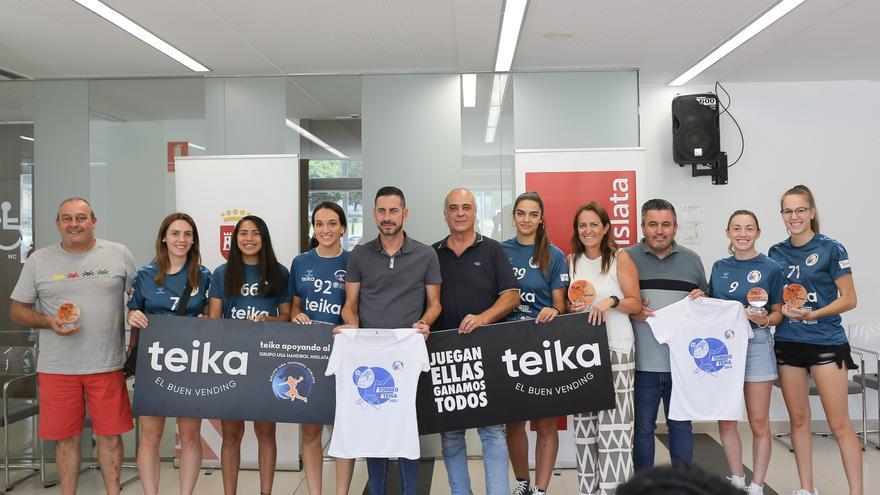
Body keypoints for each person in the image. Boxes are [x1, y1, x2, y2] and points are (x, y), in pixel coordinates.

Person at [10, 197, 136, 495]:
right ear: (57, 224)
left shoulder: (118, 254)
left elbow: (140, 301)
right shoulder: (39, 260)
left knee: (110, 438)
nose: (74, 224)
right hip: (57, 368)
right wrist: (48, 321)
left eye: (81, 218)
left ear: (94, 221)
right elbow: (17, 310)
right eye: (66, 218)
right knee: (65, 440)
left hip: (106, 364)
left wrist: (135, 349)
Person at [338, 186, 442, 495]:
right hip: (370, 356)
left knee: (406, 428)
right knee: (375, 430)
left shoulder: (426, 254)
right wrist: (352, 330)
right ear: (374, 214)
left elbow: (435, 303)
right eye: (381, 211)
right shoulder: (359, 255)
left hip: (406, 355)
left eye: (393, 211)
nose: (387, 218)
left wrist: (426, 323)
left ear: (404, 214)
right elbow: (350, 305)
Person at [768, 185, 861, 495]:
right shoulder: (776, 252)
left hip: (826, 342)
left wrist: (814, 314)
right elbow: (777, 303)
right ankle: (806, 489)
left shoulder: (832, 248)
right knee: (798, 419)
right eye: (788, 211)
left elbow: (849, 299)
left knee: (838, 424)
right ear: (781, 215)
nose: (794, 216)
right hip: (788, 342)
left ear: (811, 213)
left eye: (800, 210)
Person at [687, 210, 784, 495]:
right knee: (726, 417)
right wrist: (700, 297)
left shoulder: (771, 268)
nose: (743, 234)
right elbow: (712, 304)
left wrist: (764, 319)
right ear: (728, 232)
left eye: (749, 228)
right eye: (737, 229)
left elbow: (778, 314)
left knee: (757, 421)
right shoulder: (719, 266)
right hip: (724, 347)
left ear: (758, 232)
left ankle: (756, 485)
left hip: (756, 346)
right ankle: (737, 477)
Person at [432, 187, 519, 495]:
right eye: (453, 207)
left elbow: (511, 295)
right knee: (451, 436)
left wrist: (483, 317)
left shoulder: (493, 250)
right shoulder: (432, 254)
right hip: (445, 357)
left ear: (474, 212)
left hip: (487, 354)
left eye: (466, 207)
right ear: (444, 214)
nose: (460, 213)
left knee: (493, 432)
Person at [127, 213, 212, 495]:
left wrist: (206, 321)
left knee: (189, 436)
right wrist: (133, 316)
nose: (181, 240)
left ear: (193, 240)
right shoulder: (145, 275)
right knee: (150, 437)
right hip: (153, 364)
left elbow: (215, 320)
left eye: (187, 234)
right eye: (175, 233)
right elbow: (133, 310)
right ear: (164, 237)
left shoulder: (204, 276)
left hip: (193, 363)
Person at [208, 215, 291, 495]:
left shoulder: (279, 272)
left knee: (266, 434)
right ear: (235, 239)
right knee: (231, 435)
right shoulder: (221, 273)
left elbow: (287, 317)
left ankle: (265, 492)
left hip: (265, 363)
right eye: (242, 233)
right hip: (230, 363)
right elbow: (215, 319)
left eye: (255, 233)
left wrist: (268, 321)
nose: (249, 239)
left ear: (263, 238)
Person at [623, 199, 707, 472]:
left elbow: (705, 308)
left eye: (666, 224)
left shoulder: (692, 261)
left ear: (675, 227)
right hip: (640, 365)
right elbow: (616, 304)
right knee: (642, 428)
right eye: (653, 224)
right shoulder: (627, 258)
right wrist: (631, 311)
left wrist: (702, 298)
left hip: (681, 365)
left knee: (681, 426)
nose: (659, 230)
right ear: (643, 227)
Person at [568, 202, 641, 495]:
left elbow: (634, 303)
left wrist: (611, 300)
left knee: (616, 431)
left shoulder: (619, 258)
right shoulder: (571, 260)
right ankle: (589, 491)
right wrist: (571, 309)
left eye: (594, 225)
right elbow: (564, 307)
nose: (588, 230)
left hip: (617, 349)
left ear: (606, 227)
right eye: (582, 225)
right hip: (583, 356)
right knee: (585, 431)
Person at [501, 192, 569, 495]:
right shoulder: (500, 252)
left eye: (532, 214)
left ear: (541, 218)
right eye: (520, 213)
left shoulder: (554, 255)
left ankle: (541, 489)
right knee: (513, 423)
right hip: (506, 345)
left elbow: (561, 305)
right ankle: (522, 484)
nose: (526, 219)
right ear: (513, 216)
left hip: (542, 348)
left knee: (545, 423)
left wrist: (554, 310)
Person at [288, 202, 354, 495]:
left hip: (344, 353)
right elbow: (295, 306)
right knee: (311, 429)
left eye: (331, 223)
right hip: (308, 353)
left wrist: (351, 325)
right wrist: (295, 315)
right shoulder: (300, 262)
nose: (325, 230)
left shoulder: (355, 262)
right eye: (319, 223)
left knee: (341, 430)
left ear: (342, 227)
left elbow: (357, 308)